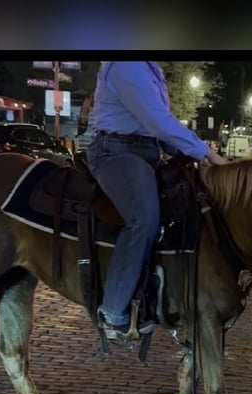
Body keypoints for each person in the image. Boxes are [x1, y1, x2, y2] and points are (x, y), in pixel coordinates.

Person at [86, 61, 228, 342]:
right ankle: (113, 311)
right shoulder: (126, 63)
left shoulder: (152, 68)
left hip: (146, 151)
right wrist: (207, 155)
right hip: (116, 152)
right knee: (144, 218)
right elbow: (157, 121)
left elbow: (157, 124)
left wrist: (185, 154)